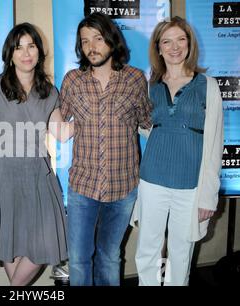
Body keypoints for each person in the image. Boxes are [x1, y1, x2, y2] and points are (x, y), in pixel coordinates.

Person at [59, 13, 152, 286]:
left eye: (98, 38)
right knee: (77, 258)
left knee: (110, 256)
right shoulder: (73, 80)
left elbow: (148, 121)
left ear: (111, 40)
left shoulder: (135, 79)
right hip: (82, 186)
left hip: (123, 187)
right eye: (85, 41)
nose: (91, 46)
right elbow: (58, 117)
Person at [133, 16, 223, 286]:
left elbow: (215, 142)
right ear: (158, 48)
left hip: (190, 184)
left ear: (189, 44)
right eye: (167, 41)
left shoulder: (207, 85)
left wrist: (208, 194)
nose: (174, 47)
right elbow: (147, 127)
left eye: (180, 40)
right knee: (147, 250)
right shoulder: (149, 87)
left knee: (181, 254)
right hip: (152, 180)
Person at [0, 22, 72, 286]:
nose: (26, 53)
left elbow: (62, 133)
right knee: (10, 241)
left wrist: (96, 112)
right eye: (19, 47)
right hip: (3, 177)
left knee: (46, 242)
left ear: (39, 51)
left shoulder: (49, 91)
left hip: (39, 176)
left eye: (31, 46)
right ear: (9, 54)